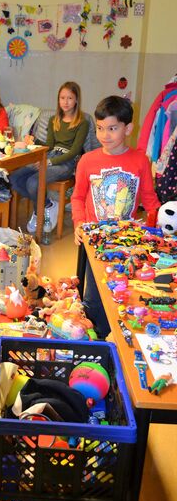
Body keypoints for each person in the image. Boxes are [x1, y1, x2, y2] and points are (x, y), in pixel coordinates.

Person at [71, 95, 161, 339]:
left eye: (112, 129)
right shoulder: (88, 161)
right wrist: (79, 224)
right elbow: (77, 197)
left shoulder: (140, 161)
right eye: (100, 128)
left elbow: (150, 201)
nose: (104, 135)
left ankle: (116, 342)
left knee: (122, 294)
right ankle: (96, 342)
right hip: (94, 244)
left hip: (125, 244)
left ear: (128, 128)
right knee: (93, 298)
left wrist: (162, 225)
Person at [10, 81, 89, 233]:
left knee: (33, 182)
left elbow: (74, 152)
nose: (65, 102)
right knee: (14, 178)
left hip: (66, 163)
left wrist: (49, 162)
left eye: (70, 98)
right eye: (62, 98)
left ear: (76, 100)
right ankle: (47, 205)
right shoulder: (54, 120)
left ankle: (38, 211)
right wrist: (34, 140)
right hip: (51, 156)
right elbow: (50, 146)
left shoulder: (82, 123)